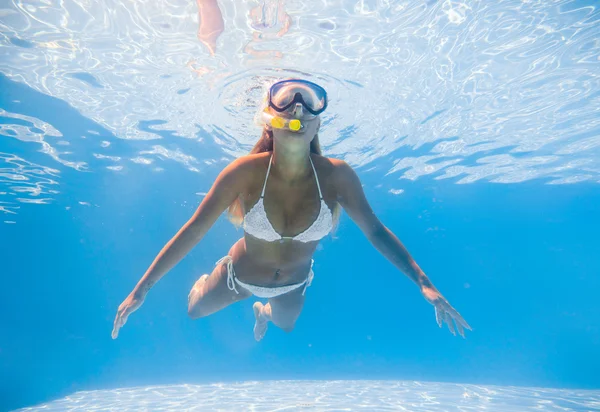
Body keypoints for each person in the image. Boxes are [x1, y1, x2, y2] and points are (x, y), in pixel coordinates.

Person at [112, 79, 471, 342]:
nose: (298, 109)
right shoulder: (244, 171)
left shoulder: (336, 176)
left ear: (317, 122)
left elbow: (375, 231)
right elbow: (194, 229)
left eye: (309, 104)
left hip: (294, 283)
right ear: (270, 120)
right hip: (239, 276)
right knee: (193, 312)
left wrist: (425, 284)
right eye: (285, 103)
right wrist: (142, 289)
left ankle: (261, 311)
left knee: (284, 325)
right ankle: (208, 280)